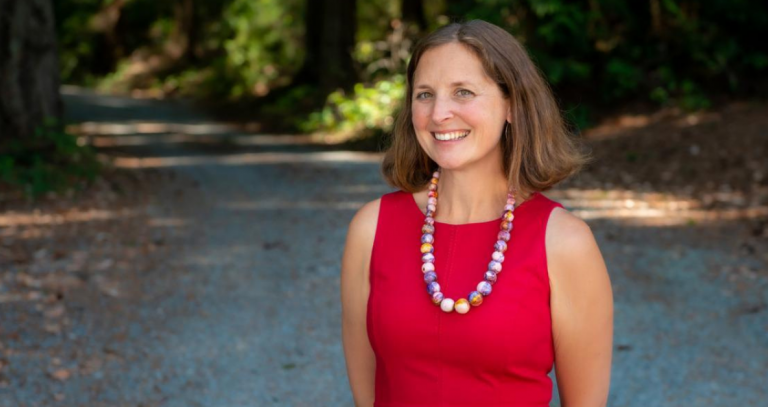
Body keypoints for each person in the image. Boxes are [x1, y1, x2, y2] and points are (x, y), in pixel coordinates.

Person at [341, 20, 613, 407]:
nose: (439, 114)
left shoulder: (564, 242)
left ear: (513, 106)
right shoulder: (371, 228)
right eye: (424, 95)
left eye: (463, 92)